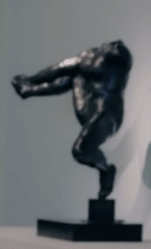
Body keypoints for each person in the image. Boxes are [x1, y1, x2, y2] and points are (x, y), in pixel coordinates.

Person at [11, 39, 131, 198]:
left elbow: (60, 68)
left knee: (80, 151)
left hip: (106, 115)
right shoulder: (90, 57)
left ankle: (106, 170)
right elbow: (60, 69)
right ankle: (30, 90)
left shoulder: (118, 57)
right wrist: (31, 82)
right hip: (88, 111)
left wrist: (30, 80)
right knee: (76, 77)